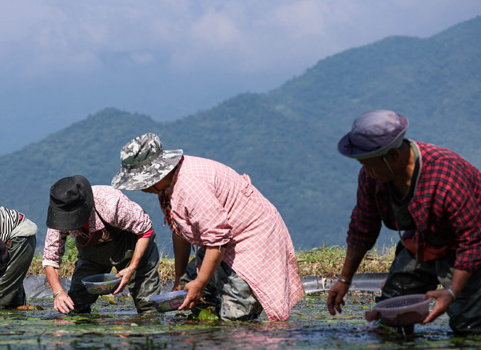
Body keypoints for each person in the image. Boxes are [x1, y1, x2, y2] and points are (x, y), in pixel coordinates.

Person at [111, 133, 304, 321]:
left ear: (154, 176)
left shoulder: (190, 187)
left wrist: (201, 283)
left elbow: (217, 242)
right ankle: (208, 337)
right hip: (222, 239)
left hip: (252, 239)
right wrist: (179, 278)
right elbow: (180, 233)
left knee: (236, 315)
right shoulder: (167, 187)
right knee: (188, 287)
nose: (140, 189)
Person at [326, 110, 481, 332]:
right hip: (425, 240)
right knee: (392, 310)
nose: (366, 172)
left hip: (471, 246)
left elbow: (473, 239)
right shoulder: (372, 178)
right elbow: (363, 227)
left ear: (393, 157)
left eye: (370, 164)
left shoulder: (444, 174)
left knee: (469, 324)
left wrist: (452, 292)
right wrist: (344, 280)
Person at [43, 175, 162, 314]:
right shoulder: (59, 215)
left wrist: (132, 268)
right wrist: (58, 292)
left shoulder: (111, 203)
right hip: (92, 254)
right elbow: (50, 258)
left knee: (148, 305)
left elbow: (145, 230)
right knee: (75, 305)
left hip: (131, 244)